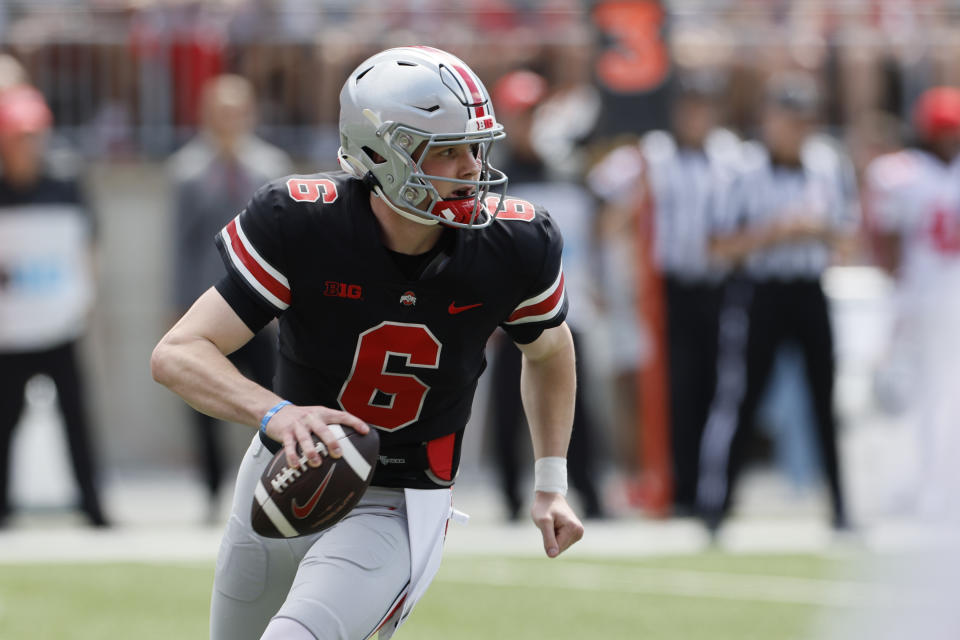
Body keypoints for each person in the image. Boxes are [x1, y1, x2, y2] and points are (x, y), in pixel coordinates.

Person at [151, 46, 584, 640]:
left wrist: (551, 483)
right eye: (447, 151)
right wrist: (276, 413)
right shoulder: (303, 223)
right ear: (380, 153)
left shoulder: (513, 242)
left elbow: (550, 349)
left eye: (475, 148)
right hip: (286, 471)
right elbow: (178, 352)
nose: (471, 169)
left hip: (404, 497)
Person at [697, 71, 858, 534]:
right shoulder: (742, 170)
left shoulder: (830, 164)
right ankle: (718, 504)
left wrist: (818, 229)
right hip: (760, 291)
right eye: (788, 119)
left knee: (824, 400)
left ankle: (841, 507)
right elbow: (717, 244)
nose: (796, 129)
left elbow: (850, 235)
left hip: (809, 288)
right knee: (740, 399)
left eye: (804, 120)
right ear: (768, 120)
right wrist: (774, 232)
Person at [168, 74, 293, 520]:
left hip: (264, 309)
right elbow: (179, 245)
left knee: (275, 396)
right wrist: (180, 305)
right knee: (205, 402)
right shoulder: (186, 171)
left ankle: (277, 485)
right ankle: (211, 491)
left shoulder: (270, 166)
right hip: (210, 306)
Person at [485, 69, 605, 521]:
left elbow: (589, 236)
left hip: (566, 305)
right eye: (521, 113)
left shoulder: (568, 170)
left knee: (577, 404)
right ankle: (509, 499)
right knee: (507, 409)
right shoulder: (492, 178)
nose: (529, 122)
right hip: (507, 310)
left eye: (535, 112)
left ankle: (592, 495)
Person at [0, 84, 108, 528]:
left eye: (35, 135)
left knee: (77, 420)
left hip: (59, 324)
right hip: (9, 332)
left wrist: (84, 295)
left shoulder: (67, 181)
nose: (30, 146)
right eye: (21, 137)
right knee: (4, 422)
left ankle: (93, 507)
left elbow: (87, 244)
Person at [865, 86, 960, 518]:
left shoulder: (905, 175)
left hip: (936, 299)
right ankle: (920, 485)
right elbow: (885, 241)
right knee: (918, 398)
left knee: (939, 399)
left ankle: (936, 485)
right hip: (922, 300)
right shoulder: (902, 174)